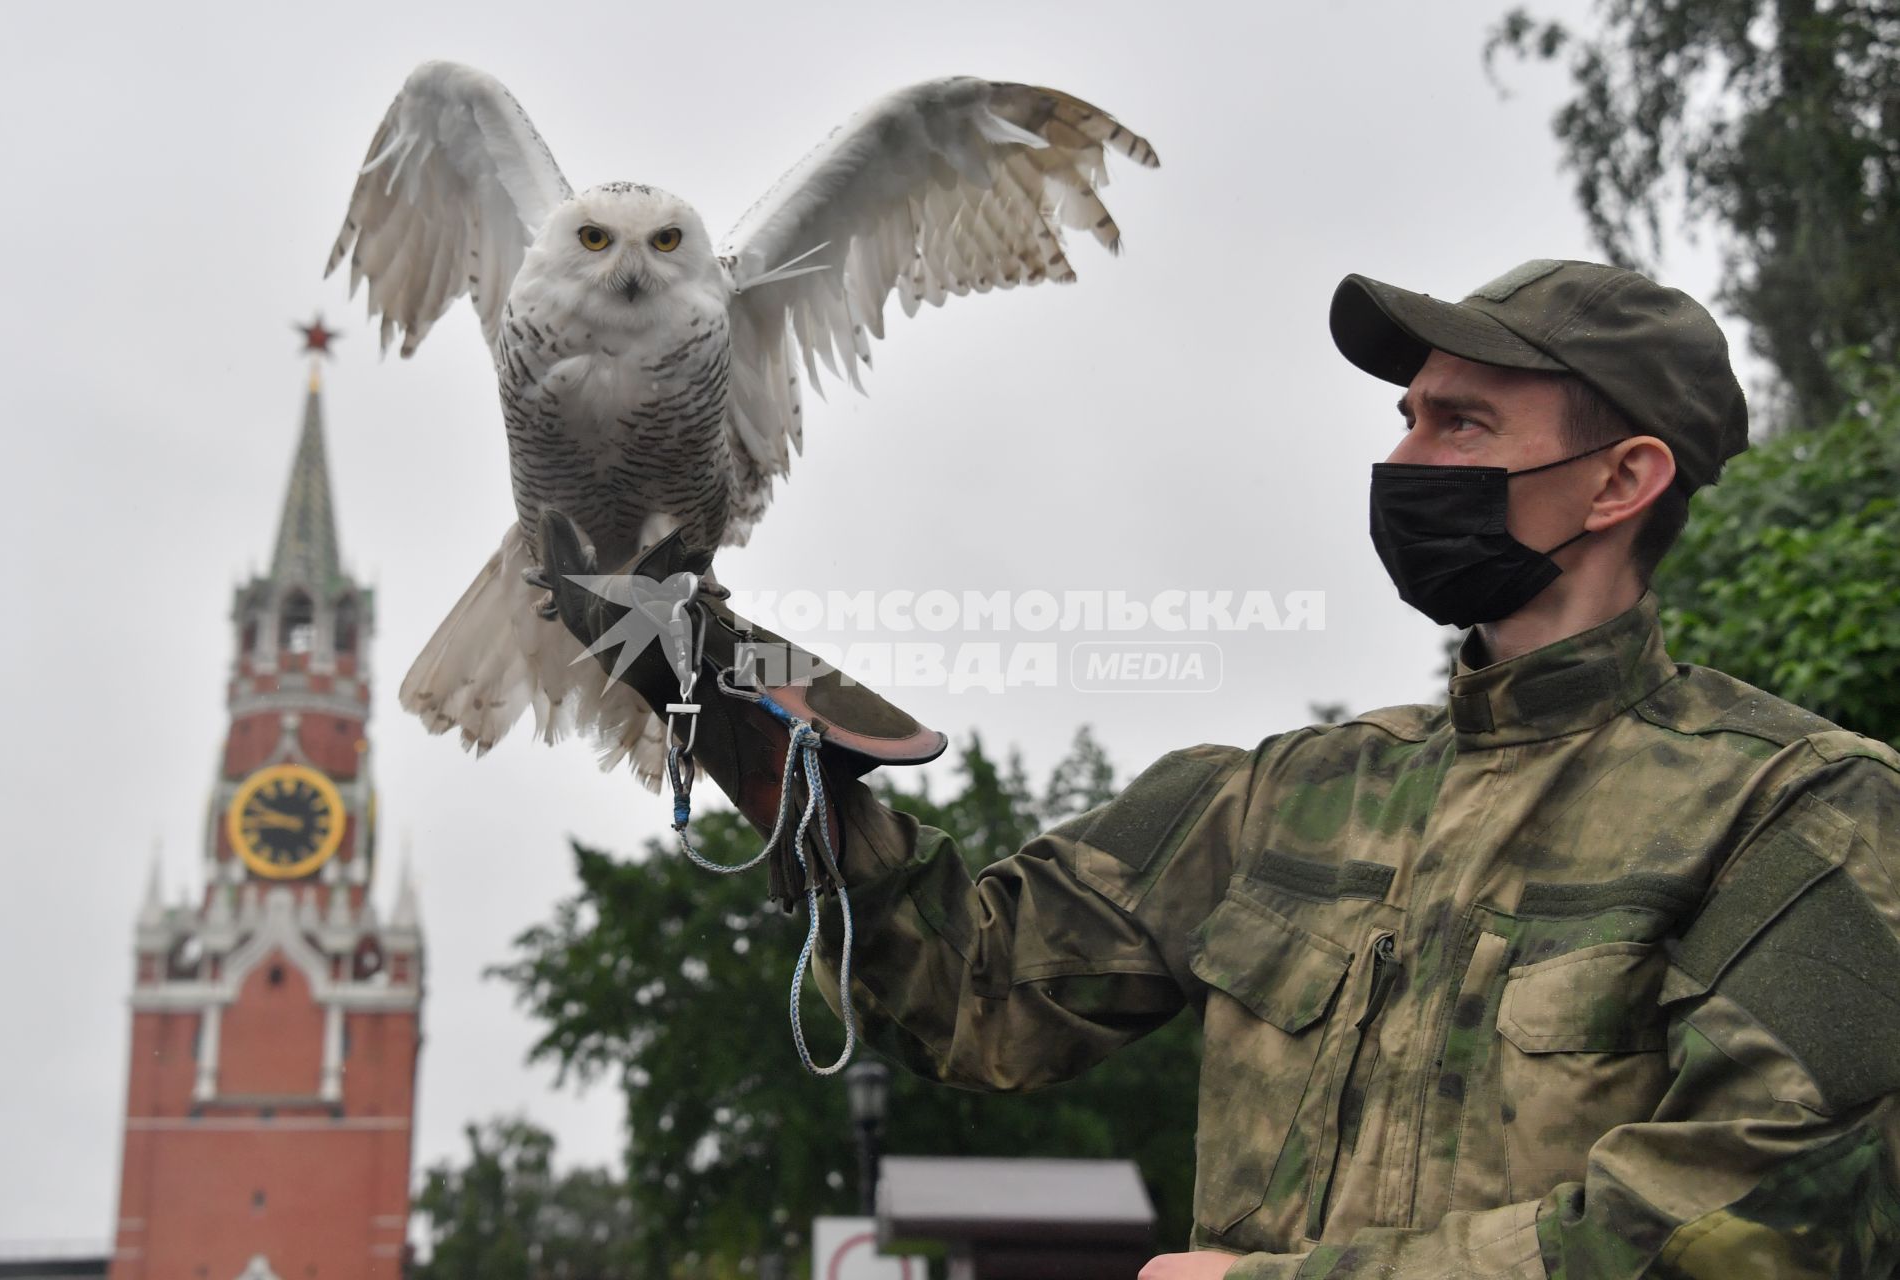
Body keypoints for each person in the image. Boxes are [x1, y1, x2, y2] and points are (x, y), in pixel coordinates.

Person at [538, 260, 1900, 1278]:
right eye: (1405, 417)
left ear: (1620, 484)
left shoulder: (1800, 807)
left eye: (1457, 426)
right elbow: (975, 994)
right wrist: (723, 694)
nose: (1399, 456)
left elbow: (1756, 1221)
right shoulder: (1282, 796)